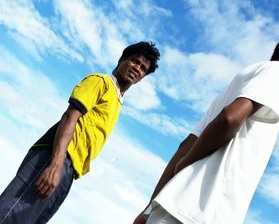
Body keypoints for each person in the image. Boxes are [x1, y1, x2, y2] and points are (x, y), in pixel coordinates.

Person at [133, 31, 279, 224]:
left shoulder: (239, 83)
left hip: (174, 206)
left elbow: (186, 144)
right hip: (200, 213)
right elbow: (230, 118)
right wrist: (186, 163)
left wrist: (148, 209)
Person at [0, 42, 160, 223]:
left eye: (142, 68)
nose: (136, 68)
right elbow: (70, 116)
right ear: (122, 59)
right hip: (54, 158)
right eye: (134, 61)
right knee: (10, 216)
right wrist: (55, 165)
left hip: (69, 172)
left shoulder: (116, 101)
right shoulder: (101, 82)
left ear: (142, 77)